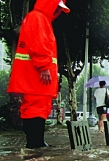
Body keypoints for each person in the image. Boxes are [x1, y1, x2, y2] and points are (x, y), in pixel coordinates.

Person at [6, 0, 70, 149]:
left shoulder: (40, 18)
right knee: (35, 107)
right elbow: (38, 44)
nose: (57, 12)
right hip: (36, 76)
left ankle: (37, 142)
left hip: (36, 76)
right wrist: (44, 67)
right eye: (57, 8)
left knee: (39, 108)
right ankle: (35, 143)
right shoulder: (38, 18)